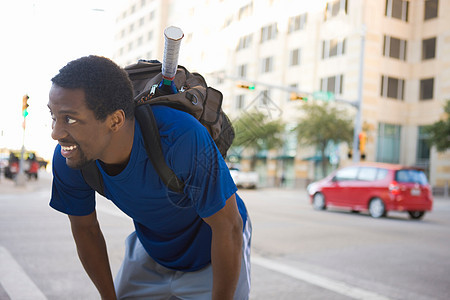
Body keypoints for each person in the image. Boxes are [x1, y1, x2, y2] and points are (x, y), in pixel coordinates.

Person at [48, 55, 251, 300]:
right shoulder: (71, 157)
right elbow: (85, 230)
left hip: (214, 255)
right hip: (152, 251)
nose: (56, 133)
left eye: (70, 119)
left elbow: (228, 227)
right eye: (53, 116)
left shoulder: (180, 136)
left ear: (115, 120)